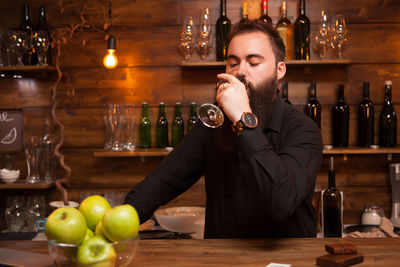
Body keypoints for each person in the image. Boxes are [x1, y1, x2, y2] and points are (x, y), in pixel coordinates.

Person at [125, 19, 323, 238]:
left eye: (254, 63)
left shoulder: (303, 130)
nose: (240, 72)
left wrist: (242, 119)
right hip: (222, 257)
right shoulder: (213, 123)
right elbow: (166, 178)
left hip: (287, 259)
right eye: (233, 63)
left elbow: (281, 201)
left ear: (279, 70)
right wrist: (124, 216)